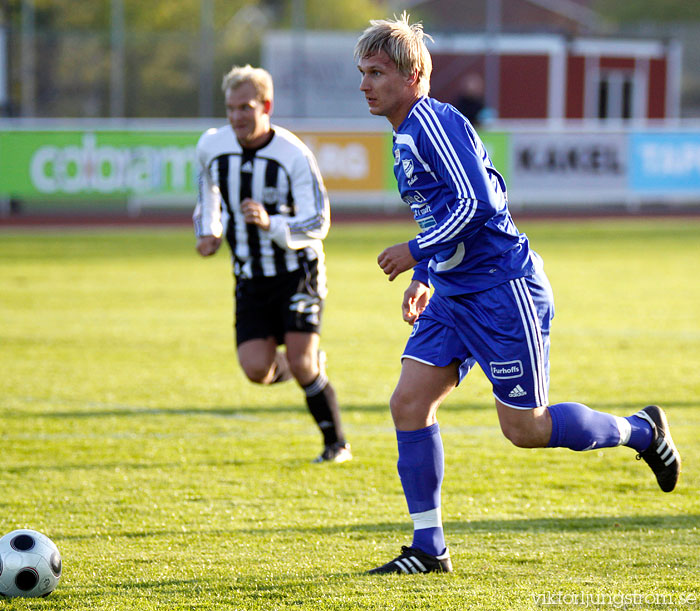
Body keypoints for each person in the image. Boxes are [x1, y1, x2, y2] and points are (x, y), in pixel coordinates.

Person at [354, 14, 680, 575]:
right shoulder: (407, 134)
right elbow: (446, 208)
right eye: (362, 72)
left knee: (524, 428)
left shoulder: (433, 123)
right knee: (408, 404)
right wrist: (424, 277)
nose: (365, 84)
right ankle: (428, 548)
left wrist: (413, 250)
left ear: (412, 77)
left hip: (503, 291)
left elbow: (481, 203)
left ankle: (642, 431)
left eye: (377, 72)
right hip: (454, 295)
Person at [193, 64, 351, 464]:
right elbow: (207, 192)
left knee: (301, 362)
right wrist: (208, 231)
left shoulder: (293, 154)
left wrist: (272, 222)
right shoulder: (212, 146)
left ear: (266, 106)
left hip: (298, 273)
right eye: (230, 108)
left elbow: (319, 222)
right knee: (255, 370)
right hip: (249, 275)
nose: (235, 117)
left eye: (244, 108)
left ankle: (337, 445)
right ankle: (307, 365)